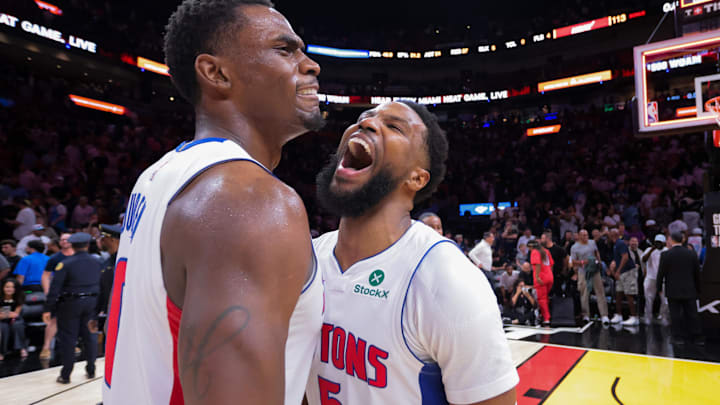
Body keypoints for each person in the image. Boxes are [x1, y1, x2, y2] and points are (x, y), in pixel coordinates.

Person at [103, 1, 324, 404]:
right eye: (285, 49)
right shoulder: (247, 199)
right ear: (216, 73)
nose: (311, 65)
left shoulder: (158, 175)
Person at [308, 101, 518, 404]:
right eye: (363, 117)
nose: (365, 123)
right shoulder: (307, 258)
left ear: (416, 179)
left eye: (394, 127)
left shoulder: (446, 279)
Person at [42, 232, 102, 384]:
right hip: (91, 303)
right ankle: (91, 369)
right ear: (87, 245)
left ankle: (66, 374)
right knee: (90, 336)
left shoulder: (65, 264)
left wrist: (48, 308)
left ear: (72, 246)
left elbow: (55, 288)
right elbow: (102, 285)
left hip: (70, 304)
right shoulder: (97, 262)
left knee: (68, 338)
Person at [657, 232, 703, 345]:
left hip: (673, 290)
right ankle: (697, 338)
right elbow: (697, 273)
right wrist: (698, 289)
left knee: (675, 315)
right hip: (689, 289)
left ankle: (678, 338)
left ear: (671, 240)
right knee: (692, 314)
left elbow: (661, 274)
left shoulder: (666, 255)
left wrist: (659, 288)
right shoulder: (691, 254)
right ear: (682, 240)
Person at [39, 232, 74, 360]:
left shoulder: (78, 256)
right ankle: (46, 347)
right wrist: (48, 292)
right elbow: (45, 276)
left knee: (74, 321)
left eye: (67, 239)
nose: (64, 241)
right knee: (54, 320)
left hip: (75, 293)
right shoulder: (54, 258)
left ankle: (71, 345)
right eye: (62, 239)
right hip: (59, 293)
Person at [570, 230, 609, 324]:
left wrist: (599, 261)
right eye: (583, 235)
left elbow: (596, 252)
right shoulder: (574, 247)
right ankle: (586, 315)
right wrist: (583, 262)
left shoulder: (592, 242)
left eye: (587, 235)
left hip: (595, 271)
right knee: (584, 294)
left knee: (600, 292)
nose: (585, 236)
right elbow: (573, 261)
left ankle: (604, 315)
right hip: (583, 272)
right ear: (579, 236)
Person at [608, 228, 639, 325]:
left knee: (629, 294)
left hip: (628, 271)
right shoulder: (616, 244)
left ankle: (634, 317)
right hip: (621, 272)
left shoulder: (620, 243)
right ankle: (618, 315)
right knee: (618, 293)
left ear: (613, 235)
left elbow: (625, 257)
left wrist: (618, 270)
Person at [641, 234, 669, 325]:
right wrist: (652, 249)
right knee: (649, 299)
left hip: (663, 279)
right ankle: (648, 318)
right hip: (650, 278)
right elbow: (644, 260)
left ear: (664, 243)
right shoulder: (649, 250)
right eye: (657, 242)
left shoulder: (666, 251)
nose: (658, 244)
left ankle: (663, 316)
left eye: (660, 242)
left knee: (665, 300)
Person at [0, 278, 28, 360]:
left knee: (18, 324)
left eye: (12, 287)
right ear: (2, 287)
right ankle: (2, 351)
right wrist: (8, 314)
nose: (9, 289)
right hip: (2, 321)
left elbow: (16, 314)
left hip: (15, 319)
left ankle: (21, 348)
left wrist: (5, 314)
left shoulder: (20, 296)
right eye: (7, 287)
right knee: (3, 327)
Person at [96, 224, 120, 317]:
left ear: (113, 240)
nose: (101, 241)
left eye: (104, 238)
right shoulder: (106, 263)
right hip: (108, 312)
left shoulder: (125, 262)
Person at [528, 239, 553, 326]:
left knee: (542, 299)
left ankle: (546, 318)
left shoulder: (535, 252)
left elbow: (537, 264)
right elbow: (551, 264)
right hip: (549, 276)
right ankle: (545, 315)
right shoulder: (546, 251)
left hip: (541, 277)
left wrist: (537, 276)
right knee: (546, 297)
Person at [542, 230, 568, 297]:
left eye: (542, 238)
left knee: (558, 292)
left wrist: (564, 269)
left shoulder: (558, 249)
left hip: (557, 273)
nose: (541, 240)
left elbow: (565, 258)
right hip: (546, 274)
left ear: (547, 239)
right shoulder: (542, 249)